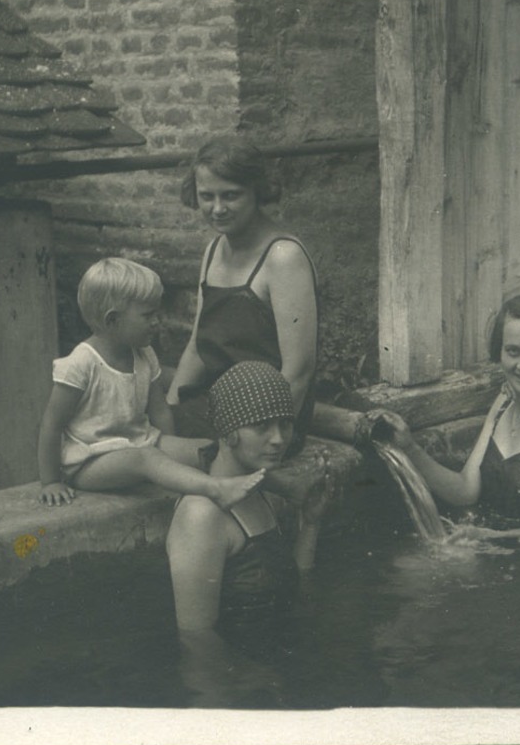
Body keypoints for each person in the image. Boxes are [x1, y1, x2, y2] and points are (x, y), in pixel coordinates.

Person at [36, 258, 264, 509]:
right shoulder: (81, 364)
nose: (157, 321)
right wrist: (50, 481)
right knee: (146, 459)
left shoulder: (144, 355)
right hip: (91, 461)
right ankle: (218, 490)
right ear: (112, 320)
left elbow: (160, 410)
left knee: (207, 449)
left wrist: (173, 461)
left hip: (141, 443)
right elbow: (51, 425)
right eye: (148, 315)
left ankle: (280, 486)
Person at [379, 294, 520, 538]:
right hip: (494, 550)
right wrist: (409, 447)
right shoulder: (504, 401)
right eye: (513, 351)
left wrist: (489, 538)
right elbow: (465, 491)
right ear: (499, 352)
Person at [167, 362, 322, 704]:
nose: (279, 439)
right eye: (262, 426)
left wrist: (310, 524)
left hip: (272, 671)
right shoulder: (201, 514)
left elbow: (291, 588)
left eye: (285, 423)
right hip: (233, 689)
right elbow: (195, 638)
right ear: (228, 433)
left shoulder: (260, 493)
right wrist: (256, 683)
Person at [166, 138, 321, 449]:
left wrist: (264, 440)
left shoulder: (283, 256)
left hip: (269, 424)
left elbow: (298, 370)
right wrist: (170, 415)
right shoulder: (213, 250)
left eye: (231, 196)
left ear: (257, 191)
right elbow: (198, 349)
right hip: (217, 409)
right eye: (207, 197)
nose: (218, 209)